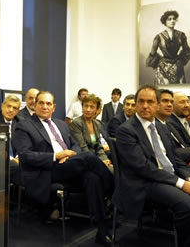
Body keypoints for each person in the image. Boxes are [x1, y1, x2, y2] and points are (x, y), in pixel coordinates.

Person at [114, 85, 190, 247]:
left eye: (150, 101)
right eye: (141, 101)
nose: (145, 106)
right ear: (135, 104)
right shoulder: (126, 130)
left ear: (156, 105)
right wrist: (183, 184)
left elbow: (175, 159)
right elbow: (143, 168)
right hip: (146, 182)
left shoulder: (161, 127)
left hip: (170, 176)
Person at [13, 91, 114, 246]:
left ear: (54, 107)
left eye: (48, 104)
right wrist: (57, 155)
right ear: (34, 105)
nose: (45, 107)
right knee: (88, 157)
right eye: (41, 103)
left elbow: (75, 145)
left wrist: (70, 155)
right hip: (48, 169)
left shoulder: (61, 124)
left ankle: (101, 229)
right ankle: (114, 189)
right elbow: (26, 156)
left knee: (92, 177)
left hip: (69, 165)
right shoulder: (24, 126)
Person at [146, 10, 190, 85]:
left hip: (177, 66)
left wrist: (180, 61)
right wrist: (160, 62)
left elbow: (186, 50)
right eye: (169, 19)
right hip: (163, 67)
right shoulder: (159, 37)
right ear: (165, 21)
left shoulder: (181, 35)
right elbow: (152, 53)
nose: (172, 21)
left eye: (174, 19)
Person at [70, 94, 114, 173]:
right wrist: (99, 162)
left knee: (116, 170)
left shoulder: (97, 124)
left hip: (96, 157)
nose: (88, 109)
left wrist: (105, 159)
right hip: (85, 159)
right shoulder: (77, 123)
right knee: (111, 172)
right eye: (85, 106)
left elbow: (98, 146)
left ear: (97, 110)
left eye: (92, 107)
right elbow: (83, 147)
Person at [0, 94, 23, 184]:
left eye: (15, 108)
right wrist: (11, 159)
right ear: (3, 106)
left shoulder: (20, 122)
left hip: (16, 160)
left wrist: (19, 157)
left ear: (18, 111)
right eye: (8, 106)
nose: (11, 110)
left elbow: (23, 142)